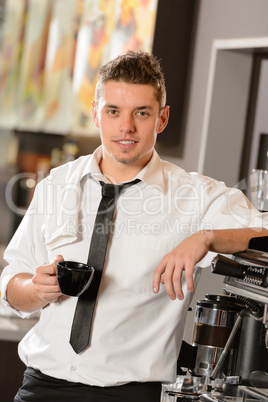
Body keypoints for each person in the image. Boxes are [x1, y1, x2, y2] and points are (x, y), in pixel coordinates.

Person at [1, 50, 268, 402]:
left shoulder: (196, 196)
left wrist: (207, 237)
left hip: (129, 394)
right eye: (113, 111)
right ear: (96, 112)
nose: (126, 127)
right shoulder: (56, 184)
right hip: (41, 387)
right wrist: (37, 290)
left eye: (141, 113)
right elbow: (10, 284)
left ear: (162, 118)